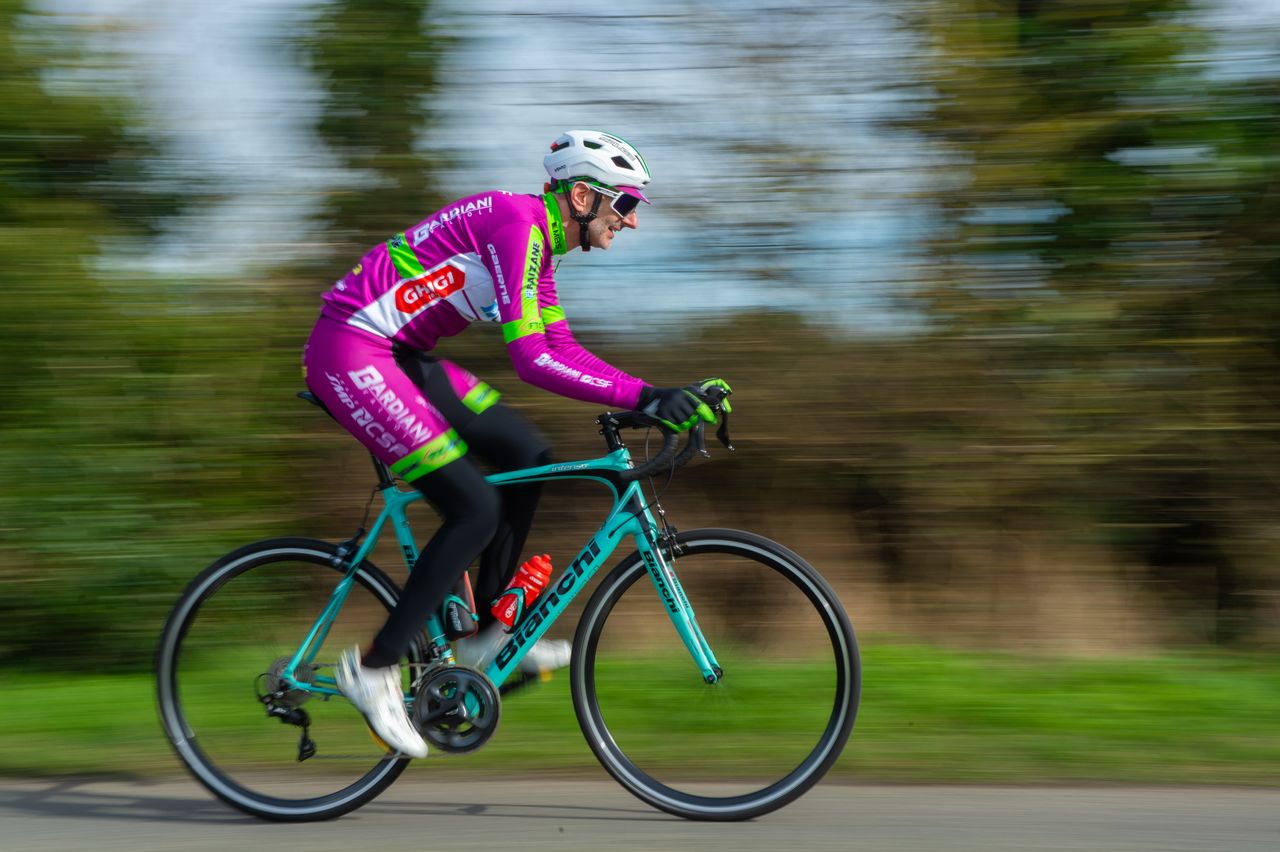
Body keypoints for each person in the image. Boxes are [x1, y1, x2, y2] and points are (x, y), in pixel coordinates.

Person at [302, 130, 729, 758]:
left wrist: (655, 391)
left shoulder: (539, 245)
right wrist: (643, 399)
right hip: (352, 349)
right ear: (582, 195)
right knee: (474, 508)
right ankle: (373, 667)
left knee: (528, 458)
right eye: (627, 205)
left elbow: (562, 349)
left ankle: (484, 639)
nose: (631, 222)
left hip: (399, 355)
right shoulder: (518, 227)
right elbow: (530, 361)